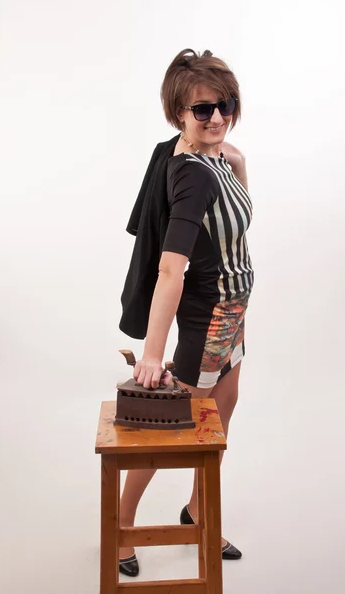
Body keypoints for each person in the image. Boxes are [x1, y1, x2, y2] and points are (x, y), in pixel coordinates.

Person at [118, 48, 254, 577]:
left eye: (227, 105)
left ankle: (199, 510)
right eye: (203, 110)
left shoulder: (216, 158)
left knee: (223, 413)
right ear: (179, 113)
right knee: (169, 432)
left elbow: (235, 227)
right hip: (209, 319)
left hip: (235, 313)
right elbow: (170, 271)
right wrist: (153, 355)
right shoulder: (193, 173)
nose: (218, 118)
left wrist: (239, 164)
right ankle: (120, 527)